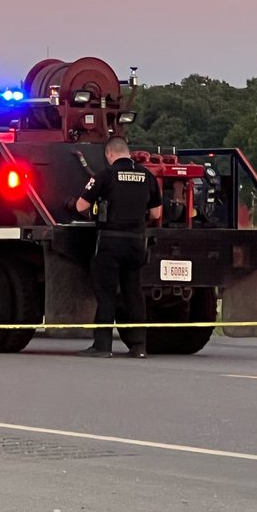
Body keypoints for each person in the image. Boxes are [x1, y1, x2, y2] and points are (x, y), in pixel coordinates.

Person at [74, 137, 162, 358]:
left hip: (110, 242)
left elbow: (80, 205)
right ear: (128, 152)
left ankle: (103, 346)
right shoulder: (147, 175)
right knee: (134, 292)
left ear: (109, 155)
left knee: (106, 294)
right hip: (136, 242)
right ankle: (139, 346)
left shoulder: (105, 175)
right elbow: (156, 214)